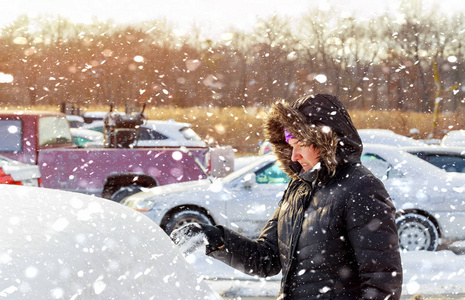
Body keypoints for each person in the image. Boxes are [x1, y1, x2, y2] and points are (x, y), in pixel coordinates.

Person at [171, 94, 403, 299]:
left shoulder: (361, 187)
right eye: (290, 145)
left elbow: (383, 282)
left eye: (300, 144)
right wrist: (214, 238)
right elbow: (266, 259)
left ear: (324, 141)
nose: (294, 155)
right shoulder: (298, 188)